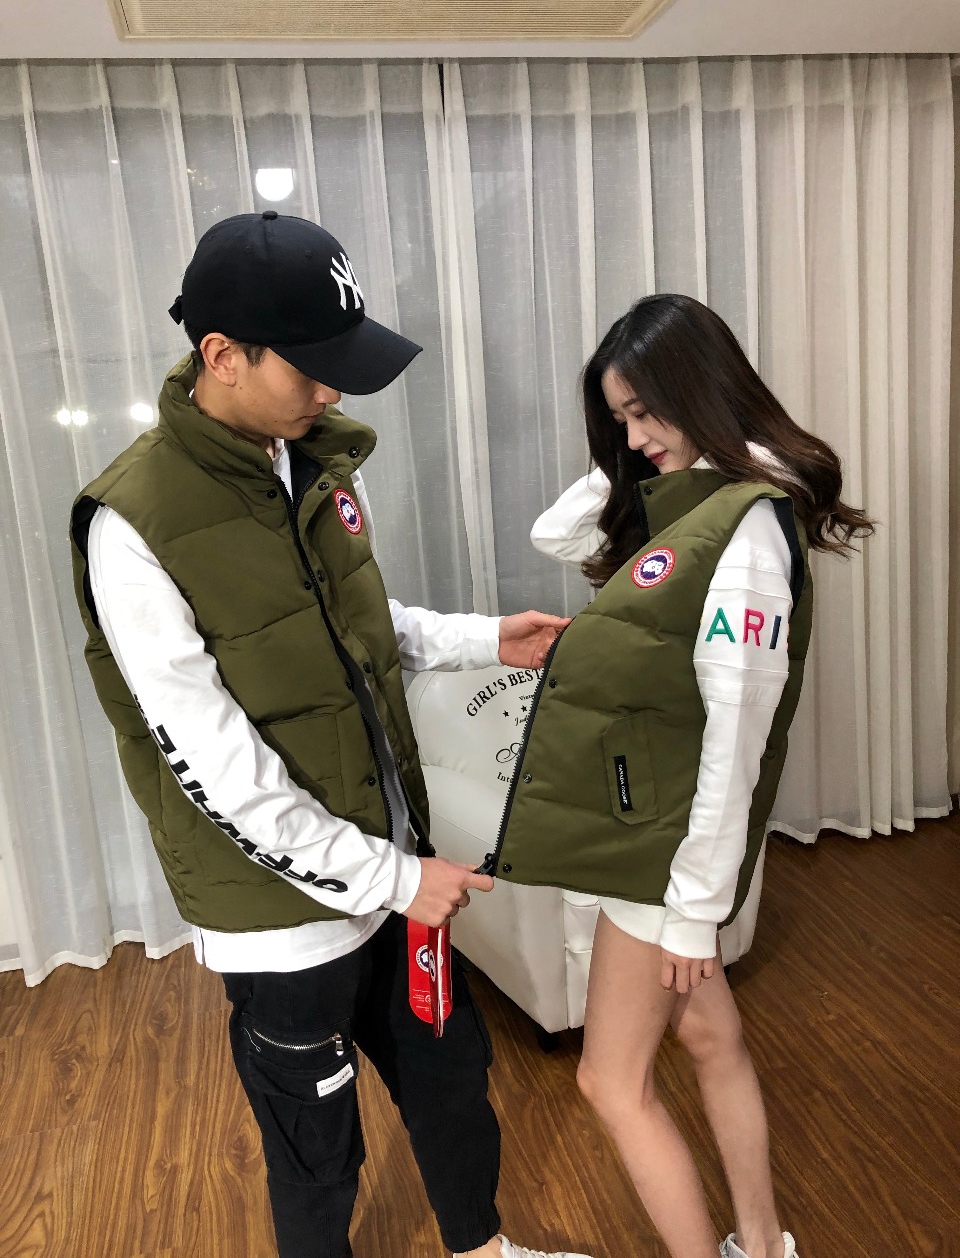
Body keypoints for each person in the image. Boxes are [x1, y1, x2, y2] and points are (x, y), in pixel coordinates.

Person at [69, 210, 587, 1258]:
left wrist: (485, 638)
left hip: (393, 864)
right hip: (287, 916)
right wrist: (394, 879)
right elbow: (211, 762)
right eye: (311, 369)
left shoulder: (305, 462)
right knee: (317, 1150)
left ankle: (483, 1249)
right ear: (223, 355)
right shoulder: (133, 525)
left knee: (450, 1079)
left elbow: (351, 624)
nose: (333, 394)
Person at [487, 294, 874, 1258]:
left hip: (664, 856)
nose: (633, 438)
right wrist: (643, 450)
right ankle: (763, 1244)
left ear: (700, 391)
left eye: (645, 412)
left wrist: (696, 907)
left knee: (610, 1082)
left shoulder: (744, 535)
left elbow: (739, 737)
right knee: (708, 1037)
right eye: (619, 418)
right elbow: (556, 533)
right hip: (662, 834)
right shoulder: (703, 508)